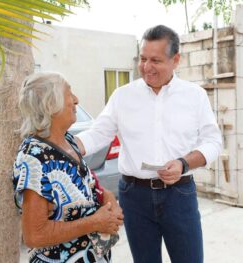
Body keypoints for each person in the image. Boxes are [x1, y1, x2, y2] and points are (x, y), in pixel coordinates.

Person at [75, 25, 222, 263]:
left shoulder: (194, 96)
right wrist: (65, 146)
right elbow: (98, 133)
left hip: (179, 195)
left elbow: (213, 141)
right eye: (143, 59)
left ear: (176, 60)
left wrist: (183, 163)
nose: (146, 67)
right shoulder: (123, 96)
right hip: (135, 197)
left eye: (156, 60)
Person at [12, 72, 123, 263]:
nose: (76, 99)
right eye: (69, 93)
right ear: (51, 105)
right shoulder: (34, 158)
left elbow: (83, 186)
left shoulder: (69, 141)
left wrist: (107, 197)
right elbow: (34, 235)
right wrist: (95, 222)